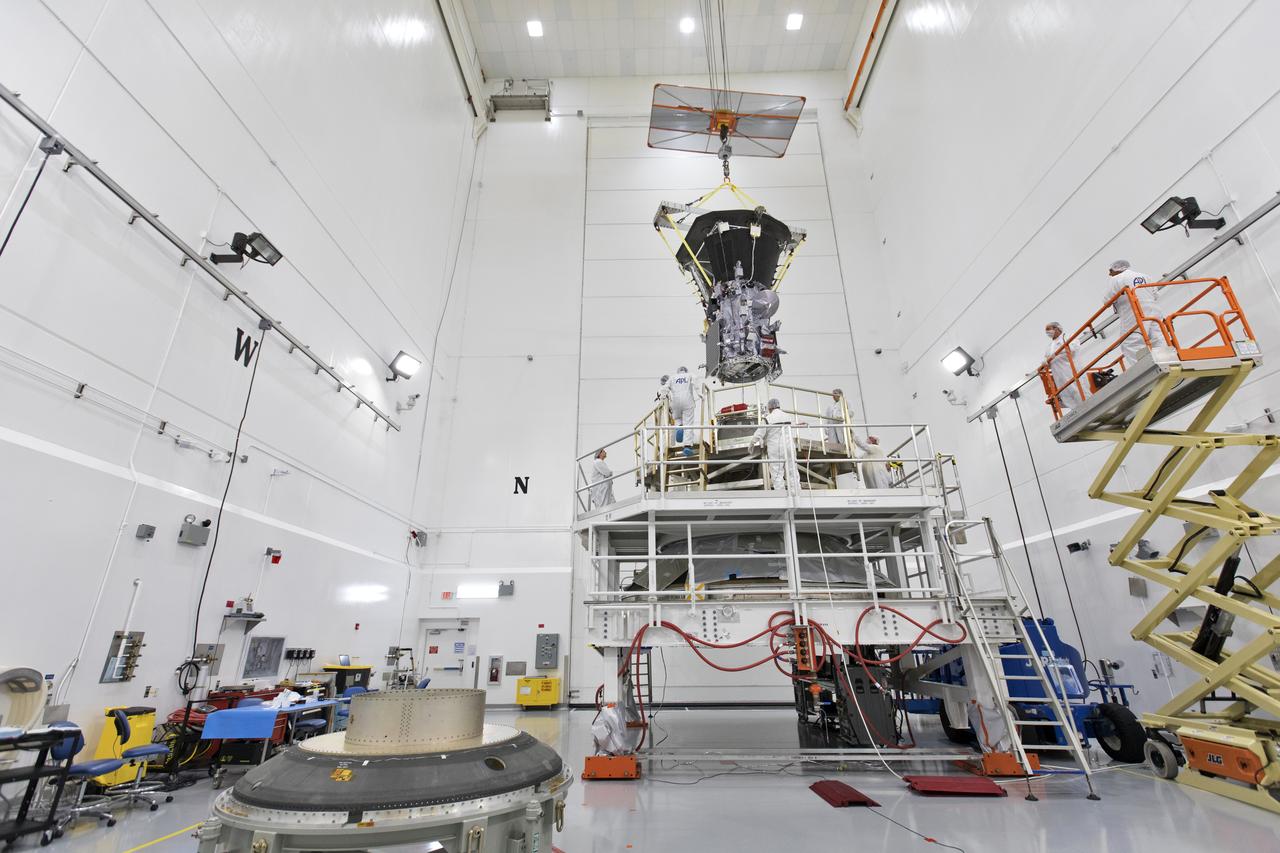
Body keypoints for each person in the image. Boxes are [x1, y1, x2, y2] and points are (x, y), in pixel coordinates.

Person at [1105, 260, 1164, 367]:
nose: (1109, 274)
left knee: (1129, 342)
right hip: (1153, 309)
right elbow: (1156, 294)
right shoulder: (1144, 276)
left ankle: (1142, 368)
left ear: (1117, 269)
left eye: (1111, 270)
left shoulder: (1116, 279)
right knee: (1156, 337)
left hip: (1133, 311)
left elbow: (1107, 301)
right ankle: (1165, 360)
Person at [751, 398, 796, 491]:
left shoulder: (768, 419)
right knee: (792, 470)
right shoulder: (788, 416)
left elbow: (759, 433)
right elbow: (794, 427)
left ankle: (781, 494)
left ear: (769, 408)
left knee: (777, 472)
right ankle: (797, 492)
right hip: (789, 446)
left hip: (776, 448)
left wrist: (751, 443)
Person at [1043, 322, 1083, 413]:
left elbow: (1074, 348)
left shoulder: (1067, 337)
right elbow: (1047, 358)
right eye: (1046, 331)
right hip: (1058, 375)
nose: (1048, 332)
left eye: (1049, 329)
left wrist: (1057, 353)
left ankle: (1087, 407)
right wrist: (1045, 362)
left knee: (1078, 391)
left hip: (1070, 370)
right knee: (1065, 394)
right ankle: (1077, 411)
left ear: (1057, 328)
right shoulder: (1049, 346)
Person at [667, 366, 698, 456]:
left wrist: (661, 396)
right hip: (687, 401)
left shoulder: (672, 377)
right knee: (688, 423)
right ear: (686, 371)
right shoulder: (690, 375)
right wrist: (700, 394)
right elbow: (696, 384)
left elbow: (664, 388)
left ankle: (679, 426)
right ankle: (687, 446)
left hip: (675, 402)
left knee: (677, 418)